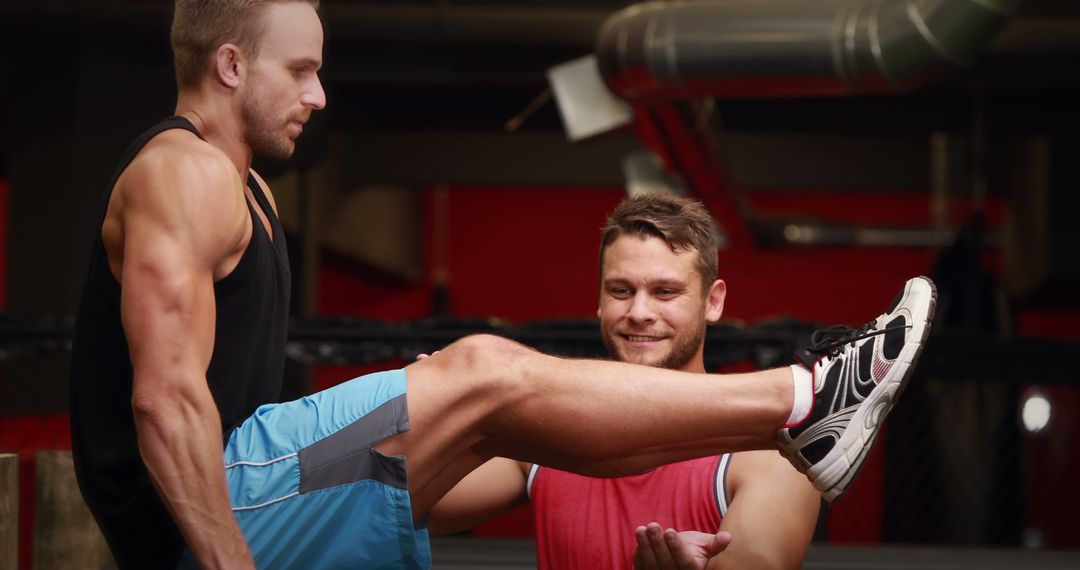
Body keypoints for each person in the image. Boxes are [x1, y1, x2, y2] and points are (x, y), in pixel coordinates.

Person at [68, 1, 937, 568]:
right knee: (483, 371)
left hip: (267, 478)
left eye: (318, 70)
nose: (320, 94)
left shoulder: (244, 183)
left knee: (478, 392)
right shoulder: (182, 172)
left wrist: (427, 410)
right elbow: (166, 401)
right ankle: (808, 394)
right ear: (228, 67)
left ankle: (803, 411)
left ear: (712, 299)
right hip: (224, 496)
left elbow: (527, 447)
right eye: (300, 71)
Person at [428, 194, 821, 569]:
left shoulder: (768, 453)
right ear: (599, 298)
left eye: (665, 292)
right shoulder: (546, 430)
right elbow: (423, 508)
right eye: (621, 290)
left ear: (712, 301)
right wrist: (442, 418)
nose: (639, 312)